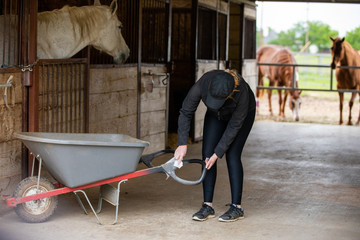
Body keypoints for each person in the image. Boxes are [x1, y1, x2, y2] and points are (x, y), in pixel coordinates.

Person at [174, 69, 256, 222]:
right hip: (216, 114)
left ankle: (237, 208)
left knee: (232, 155)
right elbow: (186, 111)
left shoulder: (242, 92)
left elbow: (234, 126)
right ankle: (207, 206)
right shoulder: (204, 82)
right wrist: (182, 143)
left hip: (241, 117)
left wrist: (218, 153)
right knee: (207, 156)